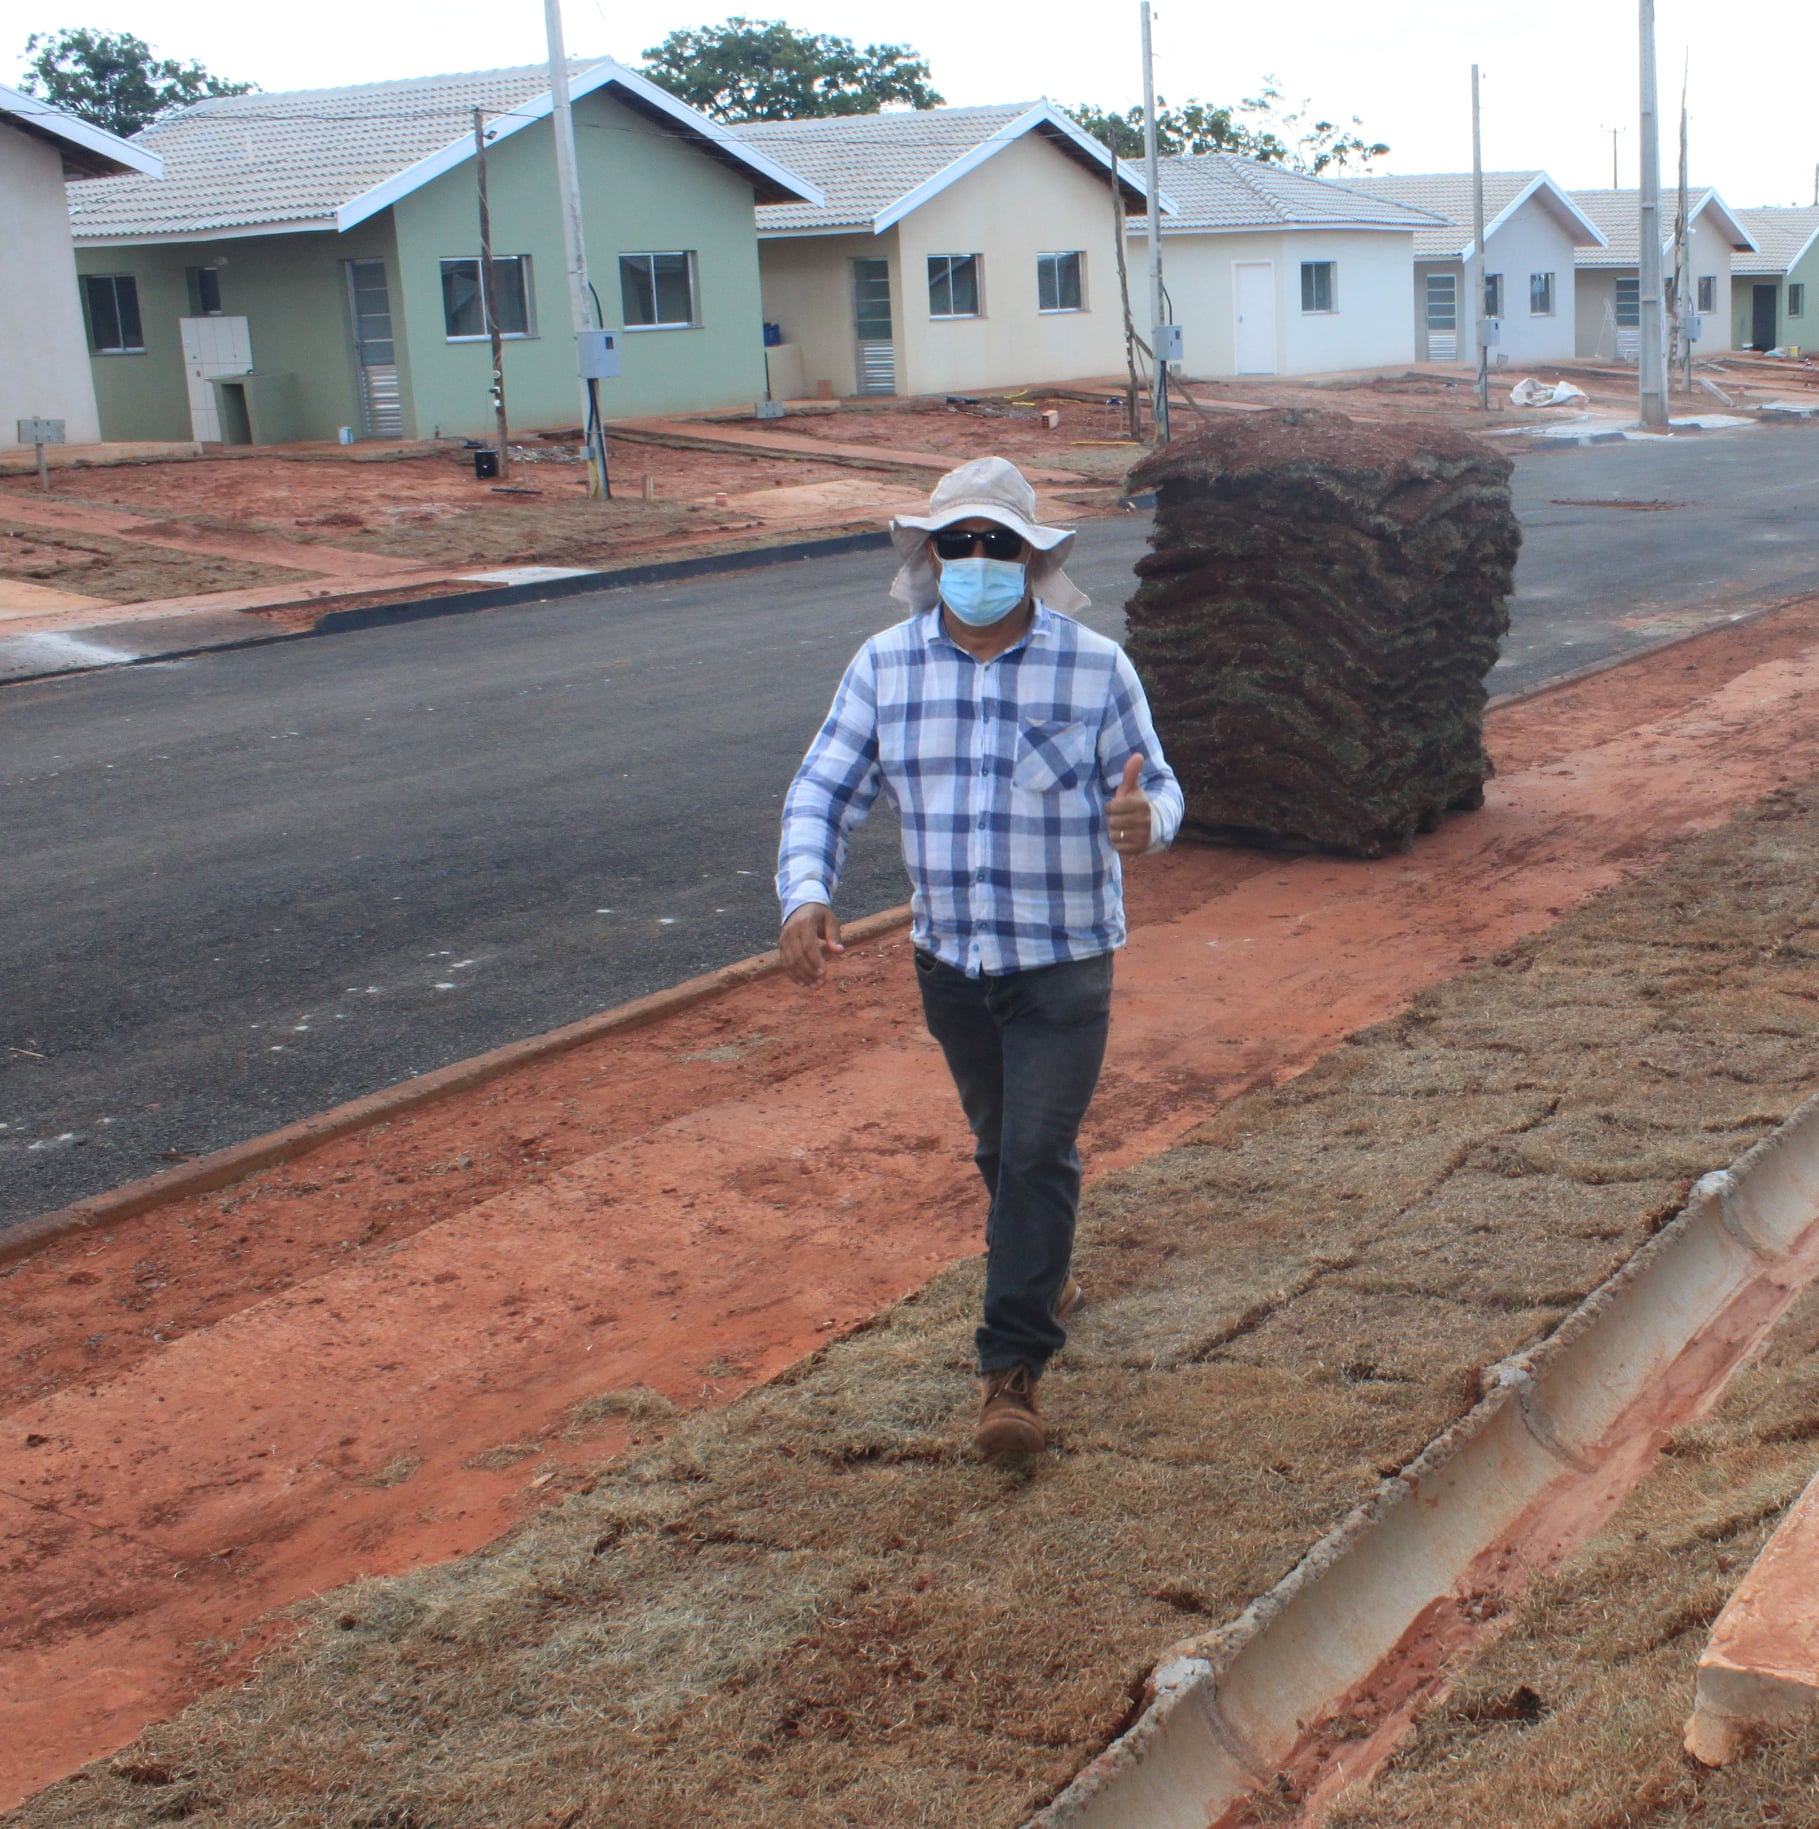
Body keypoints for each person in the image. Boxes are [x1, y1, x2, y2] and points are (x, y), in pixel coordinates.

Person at [776, 455, 1183, 1456]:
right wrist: (807, 889)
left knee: (1037, 1151)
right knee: (1002, 1151)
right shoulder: (884, 667)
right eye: (954, 542)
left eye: (996, 542)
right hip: (950, 965)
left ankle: (1011, 1370)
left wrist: (1146, 821)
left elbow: (1158, 785)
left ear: (1032, 558)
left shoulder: (1094, 666)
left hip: (1063, 959)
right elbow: (824, 787)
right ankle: (1042, 1271)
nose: (975, 558)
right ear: (929, 555)